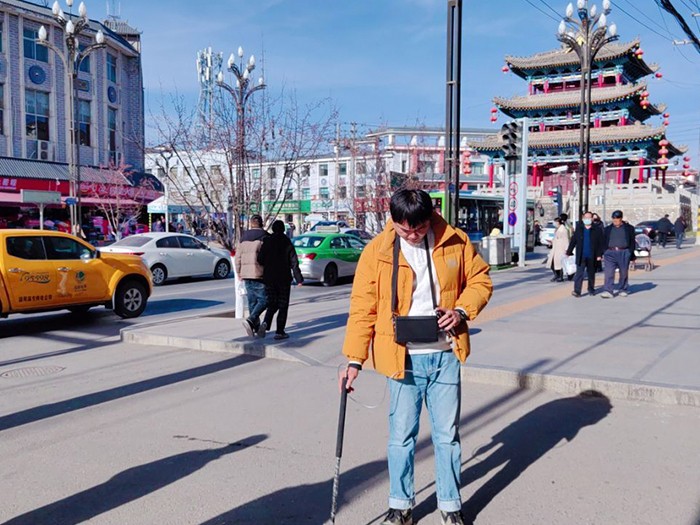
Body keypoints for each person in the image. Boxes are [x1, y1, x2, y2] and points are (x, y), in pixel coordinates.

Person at [339, 189, 493, 525]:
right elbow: (363, 308)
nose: (412, 235)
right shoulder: (377, 252)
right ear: (392, 221)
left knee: (447, 435)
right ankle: (401, 506)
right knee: (401, 437)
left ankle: (450, 505)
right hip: (402, 358)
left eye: (419, 229)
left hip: (445, 354)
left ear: (430, 218)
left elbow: (481, 280)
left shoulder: (455, 240)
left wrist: (461, 311)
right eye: (404, 229)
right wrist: (354, 360)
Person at [257, 220, 303, 340]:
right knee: (283, 304)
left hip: (269, 278)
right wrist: (299, 278)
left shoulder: (267, 242)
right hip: (283, 278)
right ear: (283, 229)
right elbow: (294, 262)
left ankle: (265, 322)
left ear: (273, 229)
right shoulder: (287, 242)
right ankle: (280, 331)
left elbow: (260, 259)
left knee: (272, 302)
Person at [234, 215, 269, 337]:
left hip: (246, 273)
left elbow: (237, 257)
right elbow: (268, 257)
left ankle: (255, 327)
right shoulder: (265, 237)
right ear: (261, 223)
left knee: (252, 301)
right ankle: (251, 320)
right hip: (259, 273)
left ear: (251, 223)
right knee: (265, 300)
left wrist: (239, 272)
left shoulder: (243, 238)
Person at [566, 211, 604, 297]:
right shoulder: (579, 229)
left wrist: (599, 255)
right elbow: (573, 241)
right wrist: (569, 251)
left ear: (592, 219)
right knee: (579, 274)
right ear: (583, 219)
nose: (587, 219)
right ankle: (577, 291)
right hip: (581, 255)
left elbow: (600, 243)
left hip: (592, 255)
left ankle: (591, 289)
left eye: (589, 218)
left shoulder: (597, 229)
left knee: (591, 274)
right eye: (585, 218)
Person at [601, 210, 636, 298]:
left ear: (621, 219)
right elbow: (603, 240)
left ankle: (623, 289)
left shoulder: (629, 228)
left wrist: (630, 252)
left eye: (617, 219)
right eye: (613, 219)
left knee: (623, 272)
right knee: (609, 272)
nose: (615, 221)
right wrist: (604, 251)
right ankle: (608, 290)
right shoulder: (607, 229)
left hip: (624, 252)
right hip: (610, 252)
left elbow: (632, 241)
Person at [545, 217, 569, 282]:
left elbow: (566, 240)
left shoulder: (563, 230)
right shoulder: (557, 229)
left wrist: (566, 249)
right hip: (555, 249)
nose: (554, 223)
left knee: (559, 263)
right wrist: (551, 242)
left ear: (559, 222)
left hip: (561, 249)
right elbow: (556, 238)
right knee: (552, 263)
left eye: (555, 222)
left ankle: (560, 277)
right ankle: (556, 275)